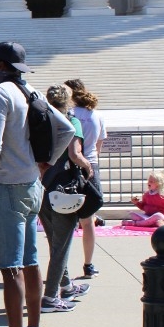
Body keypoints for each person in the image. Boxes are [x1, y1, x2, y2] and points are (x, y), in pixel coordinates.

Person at [0, 41, 65, 327]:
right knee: (30, 261)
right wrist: (45, 164)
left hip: (8, 185)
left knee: (10, 266)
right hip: (31, 183)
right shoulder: (32, 92)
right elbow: (66, 129)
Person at [37, 85, 92, 314]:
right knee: (62, 245)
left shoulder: (40, 121)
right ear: (68, 101)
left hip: (42, 187)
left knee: (55, 242)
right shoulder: (71, 121)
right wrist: (88, 167)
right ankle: (50, 297)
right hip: (64, 189)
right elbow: (74, 153)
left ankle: (66, 286)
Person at [63, 78, 106, 278]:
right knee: (88, 221)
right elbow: (98, 145)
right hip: (91, 166)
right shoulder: (96, 115)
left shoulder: (69, 115)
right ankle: (88, 264)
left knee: (64, 222)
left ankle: (62, 266)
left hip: (70, 167)